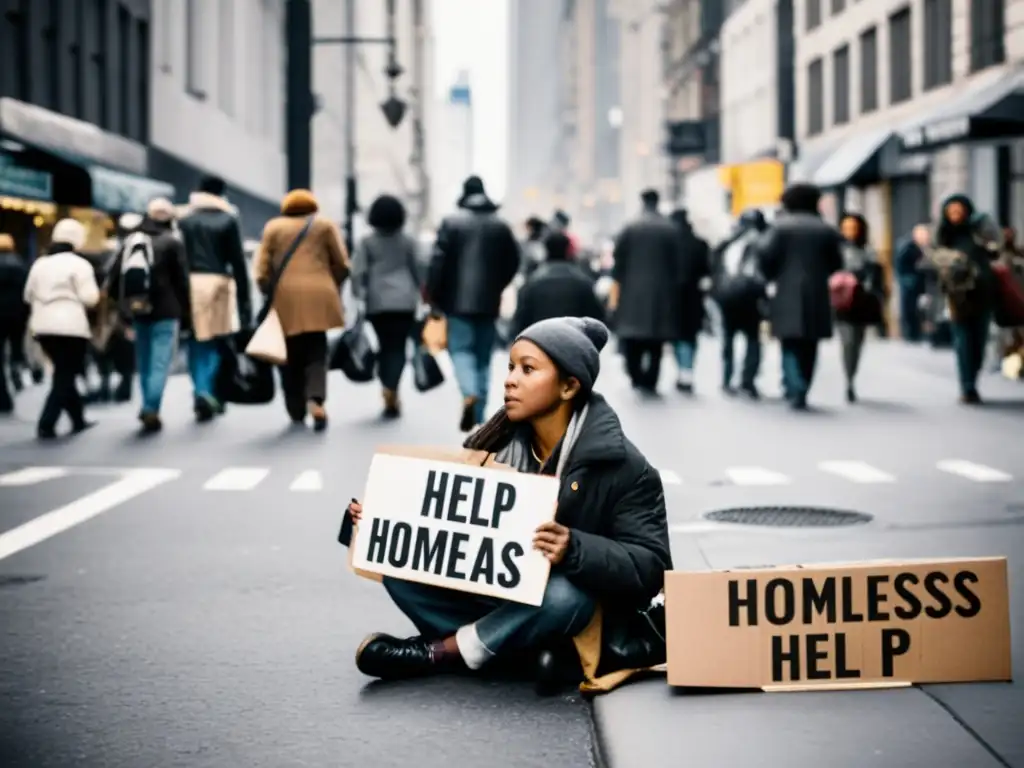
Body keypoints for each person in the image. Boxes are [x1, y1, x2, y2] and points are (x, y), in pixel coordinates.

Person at [347, 317, 672, 691]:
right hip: (502, 598)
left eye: (528, 369)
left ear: (568, 386)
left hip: (569, 608)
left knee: (567, 595)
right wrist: (378, 521)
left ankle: (445, 652)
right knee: (394, 560)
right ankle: (520, 649)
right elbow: (444, 528)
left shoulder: (626, 467)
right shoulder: (492, 445)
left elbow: (651, 567)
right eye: (511, 367)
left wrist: (574, 548)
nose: (510, 380)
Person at [426, 175, 520, 432]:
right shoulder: (501, 225)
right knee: (483, 358)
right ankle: (479, 414)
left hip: (456, 303)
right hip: (489, 303)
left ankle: (469, 393)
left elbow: (437, 262)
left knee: (461, 351)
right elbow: (513, 262)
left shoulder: (451, 222)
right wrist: (497, 286)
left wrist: (433, 296)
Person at [254, 189, 349, 430]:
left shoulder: (273, 228)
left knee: (288, 354)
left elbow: (262, 269)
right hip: (320, 293)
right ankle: (316, 400)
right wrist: (331, 284)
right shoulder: (324, 226)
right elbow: (342, 264)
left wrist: (268, 290)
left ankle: (295, 408)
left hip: (285, 296)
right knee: (317, 350)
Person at [105, 198, 191, 433]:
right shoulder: (172, 242)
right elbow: (182, 281)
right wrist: (187, 310)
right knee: (160, 362)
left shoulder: (132, 240)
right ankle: (151, 407)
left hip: (138, 309)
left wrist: (121, 308)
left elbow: (113, 277)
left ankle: (147, 403)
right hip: (167, 311)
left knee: (143, 361)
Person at [757, 184, 844, 410]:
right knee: (810, 344)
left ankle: (794, 385)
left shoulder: (779, 227)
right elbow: (837, 263)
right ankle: (803, 386)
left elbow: (764, 256)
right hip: (817, 292)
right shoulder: (825, 229)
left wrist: (772, 277)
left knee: (789, 342)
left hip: (786, 292)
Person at [178, 175, 252, 422]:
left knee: (196, 341)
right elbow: (239, 263)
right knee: (218, 341)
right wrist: (245, 305)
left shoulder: (184, 220)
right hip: (219, 284)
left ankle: (200, 390)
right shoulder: (228, 219)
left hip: (190, 285)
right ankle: (207, 391)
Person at [23, 219, 101, 438]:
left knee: (62, 370)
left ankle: (78, 419)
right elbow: (90, 298)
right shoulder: (80, 265)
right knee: (66, 374)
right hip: (72, 326)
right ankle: (47, 422)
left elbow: (27, 295)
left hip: (43, 326)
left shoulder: (40, 264)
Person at [351, 194, 421, 419]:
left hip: (377, 302)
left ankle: (386, 386)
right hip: (404, 301)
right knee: (398, 348)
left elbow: (357, 272)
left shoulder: (367, 242)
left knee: (382, 346)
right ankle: (393, 389)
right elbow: (420, 268)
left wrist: (358, 295)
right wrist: (424, 293)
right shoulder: (408, 241)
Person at [609, 189, 683, 393]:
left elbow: (618, 259)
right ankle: (651, 379)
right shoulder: (669, 228)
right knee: (656, 342)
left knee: (633, 339)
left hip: (633, 292)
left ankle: (636, 376)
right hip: (662, 293)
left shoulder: (630, 227)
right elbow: (678, 264)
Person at [932, 194, 999, 404]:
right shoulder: (944, 235)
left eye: (958, 210)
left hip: (982, 293)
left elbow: (996, 248)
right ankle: (967, 387)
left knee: (979, 340)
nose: (955, 214)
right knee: (962, 341)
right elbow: (935, 257)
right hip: (956, 296)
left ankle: (973, 378)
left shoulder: (978, 230)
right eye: (950, 211)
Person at [710, 209, 768, 398]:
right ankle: (746, 380)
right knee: (751, 340)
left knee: (730, 339)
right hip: (749, 297)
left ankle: (730, 379)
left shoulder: (732, 242)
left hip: (731, 297)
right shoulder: (762, 240)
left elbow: (715, 260)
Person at [509, 232, 605, 337]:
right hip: (574, 342)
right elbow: (597, 319)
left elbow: (520, 321)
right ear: (568, 250)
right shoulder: (583, 283)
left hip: (539, 341)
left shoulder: (531, 284)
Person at [836, 212, 883, 403]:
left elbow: (877, 277)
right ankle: (848, 381)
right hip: (842, 303)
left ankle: (852, 375)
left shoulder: (869, 252)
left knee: (857, 343)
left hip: (861, 303)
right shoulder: (837, 250)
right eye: (846, 228)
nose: (849, 232)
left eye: (853, 228)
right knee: (847, 342)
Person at [668, 208, 710, 394]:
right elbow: (707, 271)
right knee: (690, 337)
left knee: (676, 337)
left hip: (672, 297)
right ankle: (687, 371)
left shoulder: (668, 243)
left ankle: (682, 371)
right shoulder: (699, 244)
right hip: (694, 297)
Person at [0, 233, 29, 413]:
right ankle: (16, 367)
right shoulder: (20, 264)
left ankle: (3, 397)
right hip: (17, 316)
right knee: (17, 346)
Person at [894, 224, 929, 342]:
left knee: (917, 308)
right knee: (909, 308)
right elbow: (900, 265)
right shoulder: (908, 247)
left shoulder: (921, 248)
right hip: (909, 283)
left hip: (917, 283)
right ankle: (910, 333)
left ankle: (916, 332)